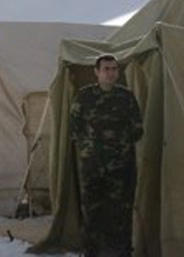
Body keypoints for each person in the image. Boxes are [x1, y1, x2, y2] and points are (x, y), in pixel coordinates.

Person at [70, 55, 144, 257]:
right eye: (106, 69)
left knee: (121, 213)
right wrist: (95, 146)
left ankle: (121, 253)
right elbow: (74, 129)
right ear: (96, 72)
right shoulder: (84, 97)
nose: (111, 73)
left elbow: (138, 129)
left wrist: (116, 145)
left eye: (114, 69)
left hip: (121, 168)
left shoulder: (126, 97)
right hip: (93, 167)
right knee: (92, 214)